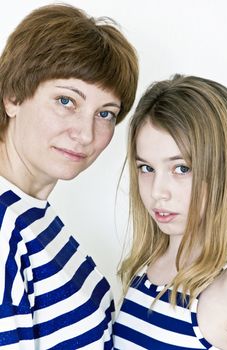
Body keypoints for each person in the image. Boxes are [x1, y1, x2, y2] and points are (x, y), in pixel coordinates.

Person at [0, 3, 138, 349]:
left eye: (105, 113)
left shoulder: (29, 210)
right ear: (13, 95)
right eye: (66, 101)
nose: (86, 134)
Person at [113, 74, 227, 349]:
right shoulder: (145, 266)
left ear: (224, 169)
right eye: (146, 168)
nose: (157, 191)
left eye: (181, 168)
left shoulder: (226, 287)